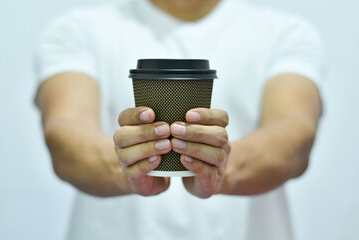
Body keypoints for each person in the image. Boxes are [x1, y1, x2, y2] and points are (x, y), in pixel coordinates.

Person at [35, 0, 323, 239]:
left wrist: (224, 167)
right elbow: (64, 135)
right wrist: (123, 168)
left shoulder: (285, 33)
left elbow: (295, 134)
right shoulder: (78, 30)